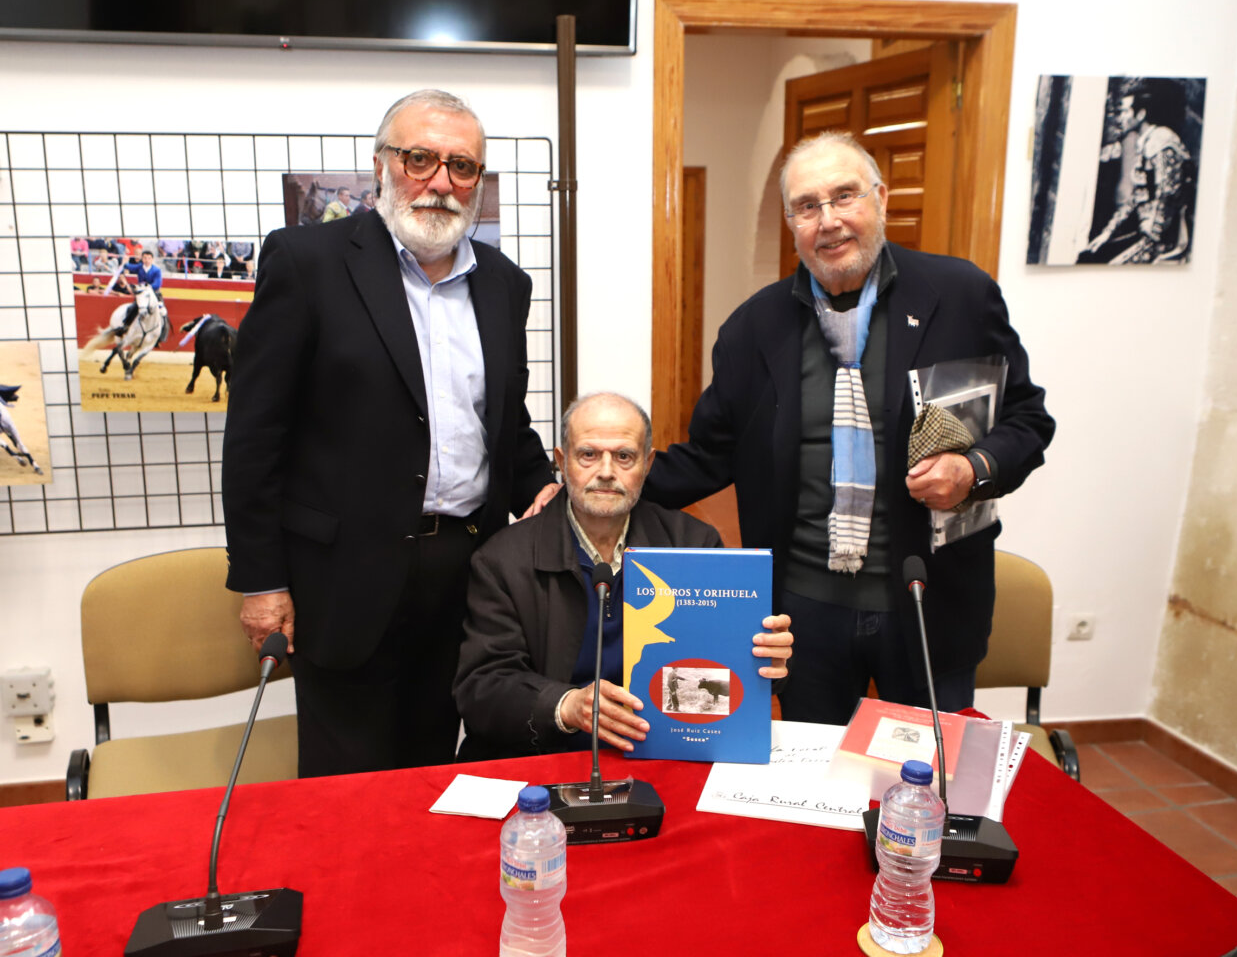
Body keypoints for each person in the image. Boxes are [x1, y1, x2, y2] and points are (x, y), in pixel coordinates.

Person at [644, 131, 1054, 725]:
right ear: (791, 223)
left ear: (880, 199)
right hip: (804, 613)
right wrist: (601, 484)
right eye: (807, 206)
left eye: (844, 196)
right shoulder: (754, 329)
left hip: (929, 600)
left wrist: (973, 469)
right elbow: (708, 456)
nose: (829, 220)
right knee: (817, 770)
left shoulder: (960, 296)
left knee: (928, 770)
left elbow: (1027, 418)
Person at [222, 88, 560, 777]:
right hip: (344, 575)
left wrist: (546, 489)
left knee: (438, 769)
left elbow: (503, 420)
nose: (441, 182)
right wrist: (260, 580)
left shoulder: (504, 284)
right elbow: (255, 435)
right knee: (347, 783)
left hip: (469, 569)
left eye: (462, 166)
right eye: (420, 159)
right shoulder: (307, 263)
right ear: (381, 164)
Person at [453, 392, 793, 760]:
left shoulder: (695, 545)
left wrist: (762, 662)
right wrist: (566, 705)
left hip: (663, 752)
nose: (605, 471)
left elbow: (720, 676)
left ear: (647, 464)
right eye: (588, 454)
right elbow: (482, 688)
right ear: (562, 462)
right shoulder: (503, 559)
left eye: (624, 456)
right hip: (547, 758)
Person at [1081, 79, 1194, 264]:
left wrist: (1148, 244)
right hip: (1148, 234)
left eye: (1126, 111)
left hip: (1167, 242)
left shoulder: (1162, 141)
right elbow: (1136, 198)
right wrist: (1107, 234)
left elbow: (1167, 195)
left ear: (1141, 114)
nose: (1121, 118)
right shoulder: (1145, 142)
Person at [114, 249, 164, 336]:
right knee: (132, 308)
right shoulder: (140, 267)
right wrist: (124, 261)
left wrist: (146, 287)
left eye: (149, 258)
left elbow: (157, 284)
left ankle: (162, 332)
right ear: (142, 259)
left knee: (163, 312)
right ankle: (125, 326)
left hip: (154, 294)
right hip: (142, 295)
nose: (147, 260)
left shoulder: (157, 270)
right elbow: (128, 266)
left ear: (152, 259)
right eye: (145, 258)